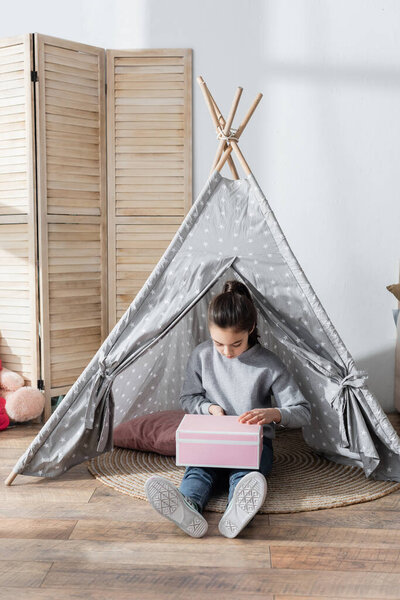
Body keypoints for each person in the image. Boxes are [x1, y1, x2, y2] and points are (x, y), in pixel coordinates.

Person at [145, 280, 312, 538]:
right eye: (218, 343)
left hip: (253, 446)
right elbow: (188, 398)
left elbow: (302, 410)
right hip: (212, 440)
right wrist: (209, 408)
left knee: (246, 474)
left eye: (236, 344)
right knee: (198, 470)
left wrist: (274, 414)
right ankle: (188, 506)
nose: (227, 352)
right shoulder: (200, 356)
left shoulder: (269, 364)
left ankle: (237, 510)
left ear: (251, 329)